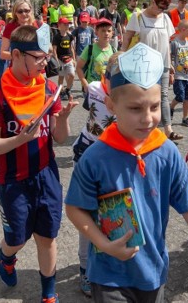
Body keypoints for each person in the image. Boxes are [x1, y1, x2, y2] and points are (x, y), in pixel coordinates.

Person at [64, 43, 188, 301]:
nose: (147, 118)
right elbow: (75, 207)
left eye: (155, 107)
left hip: (153, 274)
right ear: (112, 105)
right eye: (135, 109)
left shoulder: (166, 151)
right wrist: (102, 244)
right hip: (109, 274)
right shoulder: (95, 157)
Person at [0, 24, 77, 303]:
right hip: (13, 180)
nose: (45, 63)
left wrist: (66, 118)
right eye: (39, 58)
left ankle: (48, 293)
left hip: (46, 174)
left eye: (47, 57)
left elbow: (58, 137)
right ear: (18, 55)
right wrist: (20, 139)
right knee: (16, 239)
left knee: (47, 237)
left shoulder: (49, 89)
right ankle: (6, 257)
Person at [71, 54, 118, 297]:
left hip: (114, 158)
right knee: (86, 210)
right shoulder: (94, 89)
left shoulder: (128, 93)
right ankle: (85, 268)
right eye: (113, 79)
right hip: (88, 152)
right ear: (105, 76)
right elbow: (93, 114)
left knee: (112, 209)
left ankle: (107, 257)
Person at [122, 0, 181, 141]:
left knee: (163, 96)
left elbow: (167, 43)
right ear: (153, 2)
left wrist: (171, 65)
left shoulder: (165, 18)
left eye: (164, 8)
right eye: (159, 6)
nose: (161, 10)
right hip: (143, 65)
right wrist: (121, 56)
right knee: (145, 97)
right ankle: (144, 129)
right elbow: (127, 38)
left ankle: (168, 130)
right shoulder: (138, 17)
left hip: (162, 64)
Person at [76, 18, 115, 96]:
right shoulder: (90, 48)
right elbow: (78, 67)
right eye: (103, 31)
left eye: (109, 31)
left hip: (107, 90)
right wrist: (85, 84)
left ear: (112, 33)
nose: (106, 33)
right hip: (93, 89)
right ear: (96, 32)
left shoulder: (114, 51)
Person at [169, 20, 188, 127]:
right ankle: (171, 107)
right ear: (183, 30)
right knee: (180, 96)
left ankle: (185, 118)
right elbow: (170, 57)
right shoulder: (174, 43)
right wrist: (171, 71)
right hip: (178, 75)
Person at [52, 17, 76, 100]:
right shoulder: (56, 37)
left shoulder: (70, 36)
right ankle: (60, 91)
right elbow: (54, 50)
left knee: (72, 75)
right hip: (60, 59)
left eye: (68, 24)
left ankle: (68, 89)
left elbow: (72, 48)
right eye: (65, 24)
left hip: (69, 59)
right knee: (61, 77)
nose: (67, 26)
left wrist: (74, 59)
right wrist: (57, 62)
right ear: (59, 25)